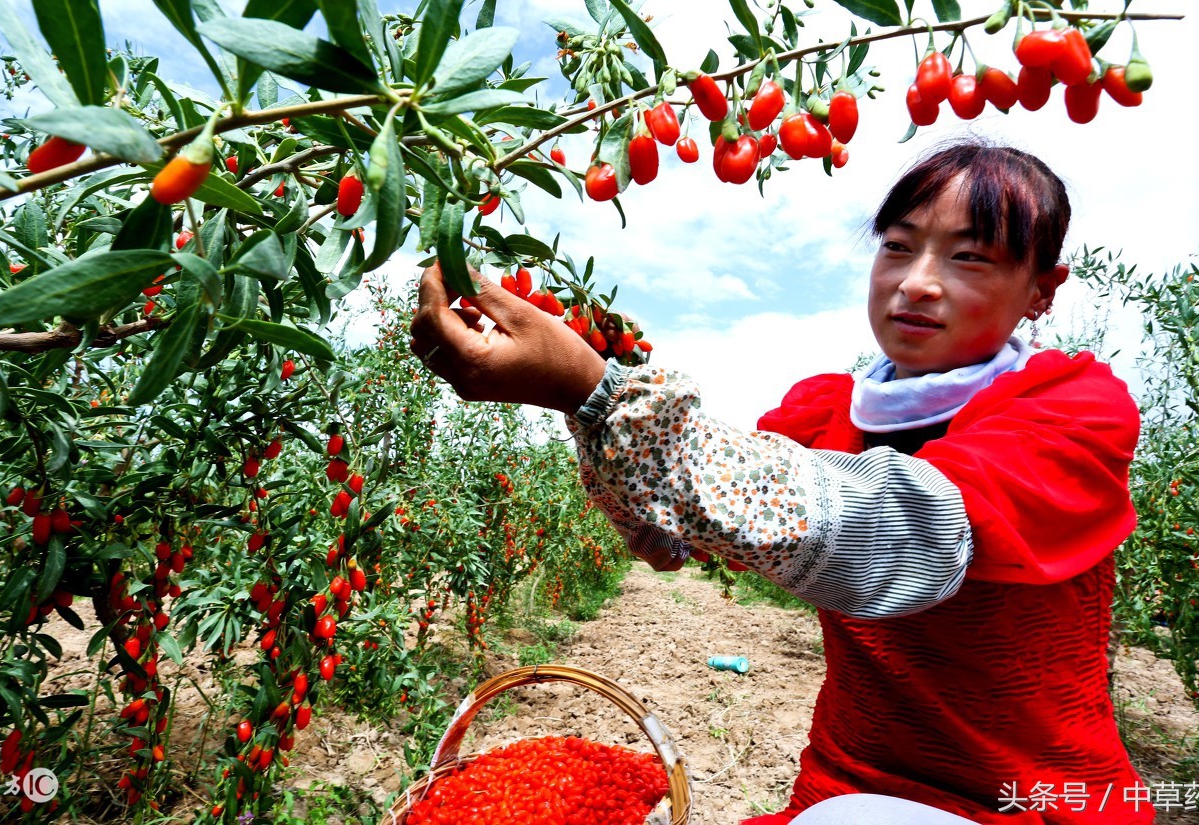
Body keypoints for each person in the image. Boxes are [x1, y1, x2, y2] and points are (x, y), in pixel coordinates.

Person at [409, 142, 1152, 824]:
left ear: (1042, 291)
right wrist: (606, 433)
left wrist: (597, 392)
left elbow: (903, 529)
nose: (918, 283)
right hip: (851, 782)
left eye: (971, 258)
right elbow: (682, 534)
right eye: (897, 247)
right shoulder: (823, 411)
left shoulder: (1074, 411)